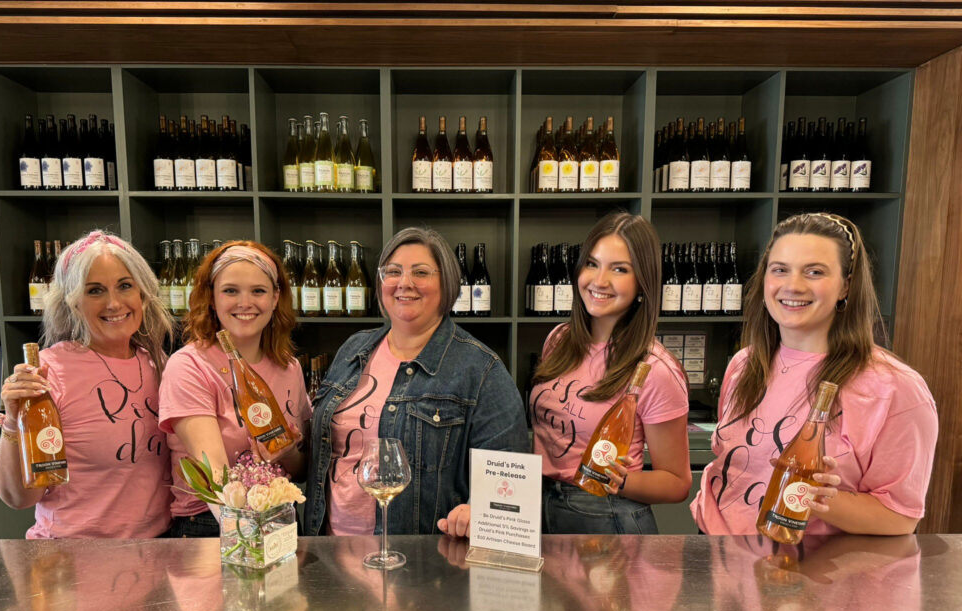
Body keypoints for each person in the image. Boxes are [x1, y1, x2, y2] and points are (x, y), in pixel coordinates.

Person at [691, 212, 938, 535]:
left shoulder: (894, 388)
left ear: (846, 286)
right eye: (780, 270)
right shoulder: (745, 364)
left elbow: (901, 516)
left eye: (815, 272)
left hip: (803, 572)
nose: (793, 286)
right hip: (714, 554)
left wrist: (820, 497)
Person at [305, 227, 528, 537]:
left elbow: (512, 484)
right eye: (393, 272)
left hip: (419, 567)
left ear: (447, 283)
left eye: (420, 272)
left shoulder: (481, 370)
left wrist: (481, 512)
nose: (404, 283)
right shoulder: (353, 349)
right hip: (330, 550)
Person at [0, 231, 174, 538]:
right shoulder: (49, 373)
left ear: (143, 295)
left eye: (125, 286)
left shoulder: (160, 364)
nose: (114, 303)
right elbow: (19, 498)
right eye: (95, 291)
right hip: (73, 558)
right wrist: (13, 423)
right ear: (73, 303)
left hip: (154, 553)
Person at [530, 212, 691, 534]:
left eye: (619, 269)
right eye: (592, 263)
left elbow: (676, 483)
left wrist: (618, 479)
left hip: (605, 514)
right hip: (541, 505)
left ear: (642, 282)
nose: (599, 281)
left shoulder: (654, 370)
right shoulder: (560, 340)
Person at [158, 240, 310, 538]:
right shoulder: (189, 366)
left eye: (258, 291)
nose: (245, 302)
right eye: (230, 291)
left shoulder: (288, 367)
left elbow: (301, 470)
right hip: (213, 524)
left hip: (281, 517)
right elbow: (216, 477)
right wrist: (247, 537)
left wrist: (288, 452)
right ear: (211, 298)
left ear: (276, 297)